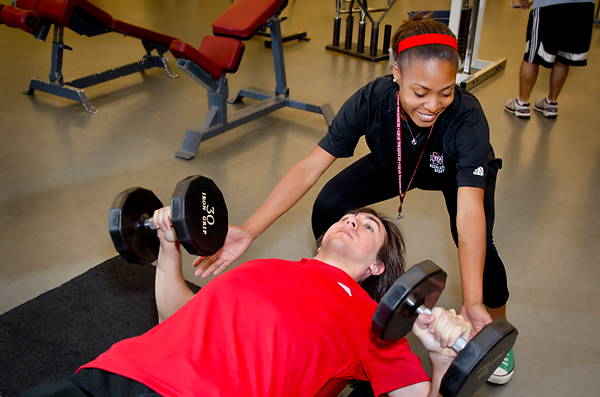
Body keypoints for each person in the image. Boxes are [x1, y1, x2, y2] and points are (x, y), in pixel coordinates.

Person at [193, 14, 513, 384]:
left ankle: (492, 324)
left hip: (454, 172)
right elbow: (309, 168)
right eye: (420, 92)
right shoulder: (371, 101)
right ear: (396, 72)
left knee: (479, 249)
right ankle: (353, 298)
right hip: (393, 161)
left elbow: (470, 212)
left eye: (446, 91)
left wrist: (470, 299)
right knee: (330, 207)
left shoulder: (467, 119)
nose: (433, 104)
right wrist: (250, 230)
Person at [20, 207, 470, 397]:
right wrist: (169, 248)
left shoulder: (373, 322)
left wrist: (443, 360)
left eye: (368, 227)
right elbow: (175, 318)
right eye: (349, 217)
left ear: (376, 268)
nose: (351, 222)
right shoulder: (270, 266)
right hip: (120, 371)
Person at [504, 0, 595, 119]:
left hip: (550, 4)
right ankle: (551, 102)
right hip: (584, 5)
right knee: (564, 55)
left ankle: (522, 103)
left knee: (533, 54)